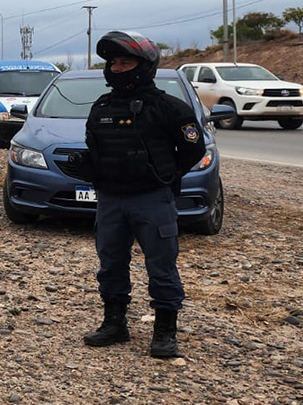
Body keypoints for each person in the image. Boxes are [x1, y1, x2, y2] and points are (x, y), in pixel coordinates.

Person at [76, 30, 206, 359]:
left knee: (161, 267)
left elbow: (193, 149)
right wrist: (88, 167)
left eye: (125, 62)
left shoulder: (169, 107)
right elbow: (95, 147)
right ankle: (114, 324)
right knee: (110, 264)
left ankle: (165, 331)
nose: (117, 68)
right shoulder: (102, 106)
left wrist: (166, 174)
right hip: (110, 200)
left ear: (145, 66)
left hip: (152, 199)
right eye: (113, 62)